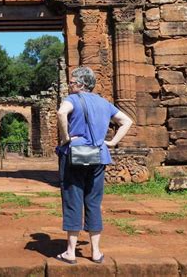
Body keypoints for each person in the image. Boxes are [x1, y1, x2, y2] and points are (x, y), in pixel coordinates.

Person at [56, 66, 132, 264]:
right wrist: (112, 142)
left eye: (71, 82)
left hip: (74, 155)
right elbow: (127, 121)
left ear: (80, 84)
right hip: (99, 155)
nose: (69, 85)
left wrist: (65, 138)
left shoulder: (72, 99)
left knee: (73, 200)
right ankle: (96, 252)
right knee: (94, 202)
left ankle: (71, 252)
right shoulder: (104, 103)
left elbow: (61, 113)